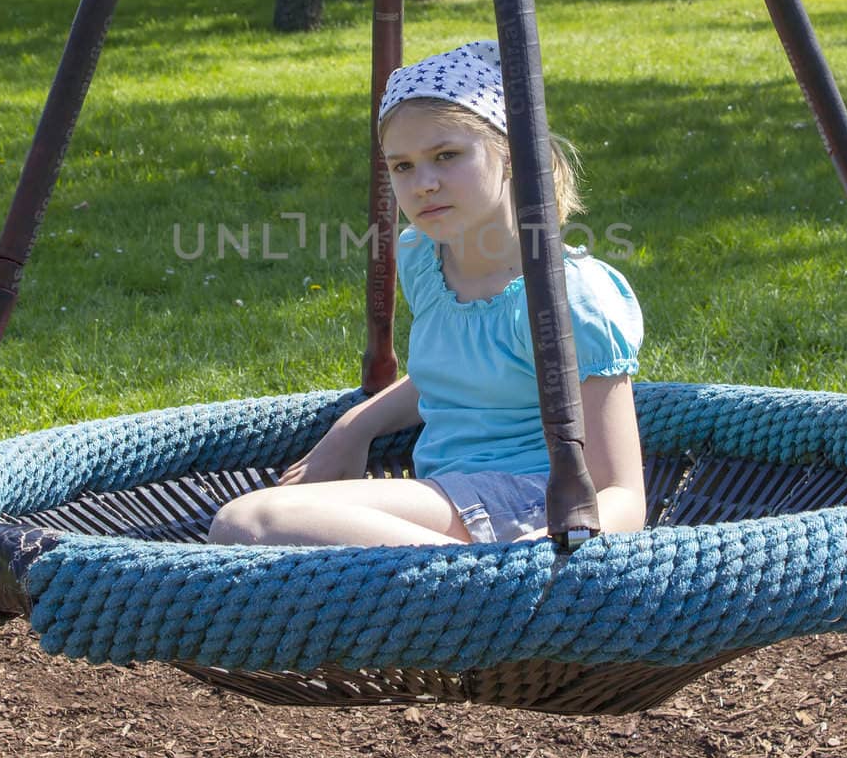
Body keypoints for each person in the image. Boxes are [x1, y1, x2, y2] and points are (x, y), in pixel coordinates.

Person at [207, 40, 645, 547]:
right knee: (265, 536)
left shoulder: (569, 297)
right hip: (449, 495)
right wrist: (352, 428)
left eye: (447, 156)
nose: (424, 184)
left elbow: (621, 491)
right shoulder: (424, 259)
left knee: (250, 522)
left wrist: (542, 554)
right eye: (403, 166)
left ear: (512, 156)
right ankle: (454, 584)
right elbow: (452, 373)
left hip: (532, 506)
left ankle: (485, 589)